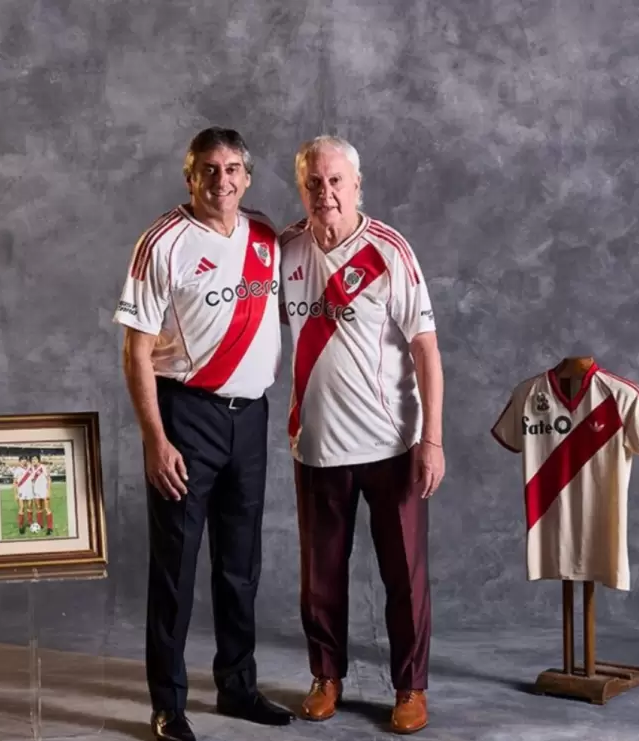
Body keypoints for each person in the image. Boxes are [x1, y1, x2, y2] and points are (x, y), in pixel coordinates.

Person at [112, 127, 295, 741]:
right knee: (176, 567)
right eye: (209, 170)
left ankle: (238, 688)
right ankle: (168, 704)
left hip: (252, 417)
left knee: (240, 564)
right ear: (189, 176)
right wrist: (154, 438)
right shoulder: (162, 242)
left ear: (247, 176)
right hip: (186, 417)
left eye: (234, 169)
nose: (223, 181)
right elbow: (136, 351)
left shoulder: (265, 236)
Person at [278, 135, 446, 735]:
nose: (326, 192)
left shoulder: (390, 251)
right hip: (317, 444)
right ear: (302, 188)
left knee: (404, 577)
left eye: (336, 181)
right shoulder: (285, 250)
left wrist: (432, 439)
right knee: (320, 577)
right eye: (314, 182)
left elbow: (426, 348)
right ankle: (326, 677)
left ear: (356, 185)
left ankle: (409, 687)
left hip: (392, 445)